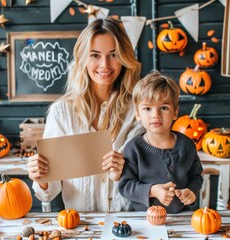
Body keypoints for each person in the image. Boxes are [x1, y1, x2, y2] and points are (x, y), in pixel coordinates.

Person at [26, 18, 143, 212]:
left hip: (129, 221)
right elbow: (49, 191)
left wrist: (124, 169)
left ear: (124, 58)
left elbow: (149, 169)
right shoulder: (61, 112)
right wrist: (41, 179)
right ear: (82, 58)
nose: (105, 64)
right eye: (95, 55)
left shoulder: (137, 110)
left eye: (113, 55)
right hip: (80, 224)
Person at [118, 71, 203, 213]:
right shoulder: (134, 148)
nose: (156, 115)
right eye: (147, 108)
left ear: (175, 112)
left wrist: (191, 190)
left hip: (180, 218)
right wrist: (152, 190)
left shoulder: (187, 146)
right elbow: (126, 186)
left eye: (163, 108)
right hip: (142, 218)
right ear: (138, 114)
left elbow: (196, 176)